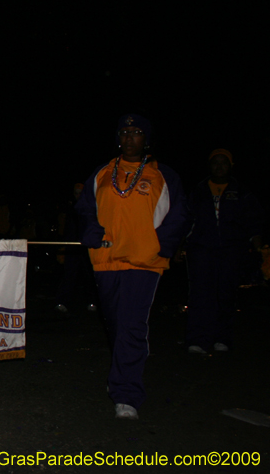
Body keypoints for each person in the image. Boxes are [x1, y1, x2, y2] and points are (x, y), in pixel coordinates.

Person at [76, 114, 188, 420]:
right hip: (106, 259)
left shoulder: (164, 175)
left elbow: (178, 214)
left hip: (144, 262)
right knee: (115, 323)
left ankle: (126, 393)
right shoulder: (102, 173)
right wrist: (90, 230)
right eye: (124, 132)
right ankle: (126, 364)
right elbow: (86, 207)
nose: (129, 138)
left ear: (146, 139)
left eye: (136, 132)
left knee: (131, 325)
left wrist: (161, 245)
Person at [185, 149, 263, 354]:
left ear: (231, 165)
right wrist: (178, 246)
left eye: (224, 163)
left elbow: (252, 222)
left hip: (231, 250)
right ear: (209, 165)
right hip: (202, 250)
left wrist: (258, 246)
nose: (219, 167)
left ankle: (223, 338)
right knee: (200, 294)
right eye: (215, 163)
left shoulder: (241, 191)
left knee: (226, 294)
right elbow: (186, 220)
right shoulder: (199, 190)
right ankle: (198, 339)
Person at [54, 183, 97, 313]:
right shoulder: (70, 208)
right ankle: (62, 302)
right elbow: (66, 229)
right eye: (76, 193)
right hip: (72, 247)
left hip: (86, 247)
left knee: (89, 275)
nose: (78, 195)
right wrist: (63, 246)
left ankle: (92, 302)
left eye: (80, 192)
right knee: (69, 275)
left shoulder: (92, 207)